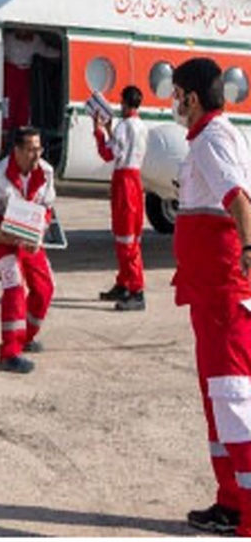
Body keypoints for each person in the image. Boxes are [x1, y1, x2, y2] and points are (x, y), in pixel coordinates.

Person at [170, 58, 251, 537]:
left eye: (177, 93)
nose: (174, 102)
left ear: (193, 98)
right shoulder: (215, 136)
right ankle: (231, 502)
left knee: (234, 399)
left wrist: (248, 248)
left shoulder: (211, 140)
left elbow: (238, 199)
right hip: (207, 295)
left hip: (223, 295)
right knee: (217, 402)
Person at [0, 126, 57, 373]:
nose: (37, 155)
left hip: (30, 236)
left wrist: (40, 230)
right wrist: (0, 236)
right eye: (32, 150)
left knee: (45, 288)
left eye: (39, 149)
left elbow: (47, 209)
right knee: (13, 286)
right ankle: (9, 352)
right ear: (18, 151)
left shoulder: (46, 172)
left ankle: (26, 336)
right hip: (3, 238)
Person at [92, 85, 149, 311]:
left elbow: (108, 154)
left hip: (124, 183)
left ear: (125, 102)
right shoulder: (141, 126)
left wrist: (98, 131)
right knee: (129, 236)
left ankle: (136, 289)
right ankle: (124, 283)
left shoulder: (125, 126)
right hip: (135, 181)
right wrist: (108, 129)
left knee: (125, 239)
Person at [1, 28, 60, 145]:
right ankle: (3, 142)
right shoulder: (8, 39)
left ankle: (19, 141)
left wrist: (63, 53)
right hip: (9, 73)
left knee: (24, 108)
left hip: (25, 74)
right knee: (7, 109)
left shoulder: (35, 41)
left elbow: (47, 51)